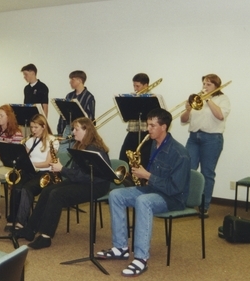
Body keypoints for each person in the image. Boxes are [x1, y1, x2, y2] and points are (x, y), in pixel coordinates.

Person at [97, 108, 190, 277]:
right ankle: (121, 247)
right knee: (115, 195)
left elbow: (176, 188)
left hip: (173, 198)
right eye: (148, 125)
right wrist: (140, 174)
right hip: (152, 190)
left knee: (143, 201)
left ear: (164, 127)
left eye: (152, 126)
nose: (148, 129)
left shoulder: (179, 153)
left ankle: (141, 258)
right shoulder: (153, 144)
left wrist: (147, 175)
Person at [16, 117, 110, 249]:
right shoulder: (82, 145)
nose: (73, 132)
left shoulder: (93, 149)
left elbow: (88, 176)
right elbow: (80, 174)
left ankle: (45, 237)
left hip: (97, 185)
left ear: (86, 130)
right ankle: (30, 229)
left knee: (56, 194)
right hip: (84, 181)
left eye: (76, 129)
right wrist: (64, 170)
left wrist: (62, 170)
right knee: (48, 190)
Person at [180, 74, 230, 218]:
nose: (204, 87)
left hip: (212, 139)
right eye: (204, 83)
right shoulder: (197, 99)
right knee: (187, 169)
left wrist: (208, 99)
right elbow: (183, 120)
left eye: (208, 84)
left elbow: (220, 116)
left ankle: (204, 206)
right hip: (194, 137)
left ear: (216, 86)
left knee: (207, 173)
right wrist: (188, 109)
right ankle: (186, 202)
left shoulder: (223, 99)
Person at [4, 114, 59, 231]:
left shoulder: (52, 140)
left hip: (45, 174)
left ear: (43, 126)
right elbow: (26, 158)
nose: (33, 130)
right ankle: (12, 219)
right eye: (31, 127)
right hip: (30, 171)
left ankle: (22, 222)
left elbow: (47, 163)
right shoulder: (30, 140)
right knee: (16, 187)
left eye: (36, 127)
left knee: (27, 189)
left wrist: (31, 164)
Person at [118, 73, 153, 170]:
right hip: (132, 132)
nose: (135, 89)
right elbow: (125, 118)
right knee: (123, 158)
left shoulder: (152, 99)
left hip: (146, 134)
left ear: (146, 85)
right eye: (134, 86)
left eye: (137, 86)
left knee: (143, 161)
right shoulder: (131, 98)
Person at [56, 70, 95, 152]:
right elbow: (62, 115)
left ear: (80, 80)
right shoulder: (69, 96)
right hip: (68, 129)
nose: (70, 82)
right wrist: (60, 132)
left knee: (77, 152)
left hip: (81, 130)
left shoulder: (89, 97)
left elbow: (90, 118)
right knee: (63, 152)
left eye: (72, 79)